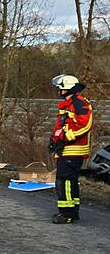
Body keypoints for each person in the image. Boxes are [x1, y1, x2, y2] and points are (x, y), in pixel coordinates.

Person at [49, 74, 94, 224]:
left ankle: (67, 213)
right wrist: (54, 140)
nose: (58, 91)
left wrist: (66, 137)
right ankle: (72, 211)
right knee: (69, 180)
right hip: (66, 148)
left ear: (67, 88)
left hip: (73, 149)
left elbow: (85, 126)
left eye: (60, 88)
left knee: (65, 181)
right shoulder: (69, 104)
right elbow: (62, 126)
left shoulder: (80, 104)